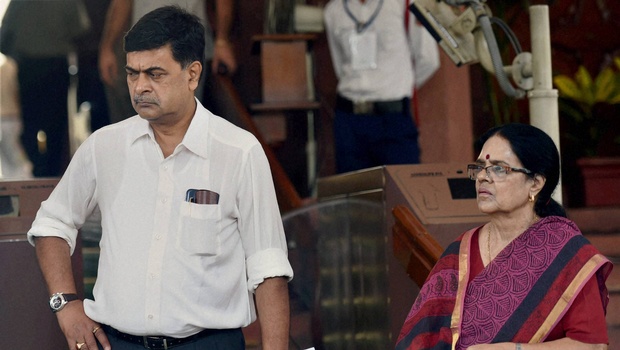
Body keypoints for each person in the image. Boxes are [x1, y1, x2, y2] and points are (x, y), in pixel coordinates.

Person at [28, 6, 292, 350]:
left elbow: (267, 268)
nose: (140, 87)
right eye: (133, 73)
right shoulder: (105, 146)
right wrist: (65, 303)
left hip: (210, 344)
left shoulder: (238, 152)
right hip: (119, 343)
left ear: (192, 75)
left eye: (155, 74)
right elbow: (52, 224)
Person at [396, 123, 613, 349]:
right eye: (480, 167)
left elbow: (593, 345)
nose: (482, 177)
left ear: (536, 184)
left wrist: (513, 349)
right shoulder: (460, 250)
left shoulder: (566, 252)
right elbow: (423, 337)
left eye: (499, 169)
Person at [323, 0, 440, 173]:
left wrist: (399, 86)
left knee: (403, 193)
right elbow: (340, 67)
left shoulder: (406, 4)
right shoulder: (333, 10)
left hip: (393, 119)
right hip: (349, 120)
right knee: (353, 194)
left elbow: (428, 59)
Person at [98, 0, 237, 123]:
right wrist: (107, 47)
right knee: (143, 120)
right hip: (143, 45)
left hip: (186, 45)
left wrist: (222, 41)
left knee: (182, 119)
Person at [0, 0, 90, 177]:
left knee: (30, 125)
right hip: (55, 66)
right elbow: (80, 32)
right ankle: (52, 176)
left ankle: (34, 173)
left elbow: (4, 36)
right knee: (56, 126)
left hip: (29, 67)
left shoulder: (20, 3)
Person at [0, 53, 33, 179]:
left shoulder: (9, 64)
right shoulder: (10, 64)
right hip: (11, 115)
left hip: (9, 115)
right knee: (11, 154)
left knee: (12, 154)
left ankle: (24, 180)